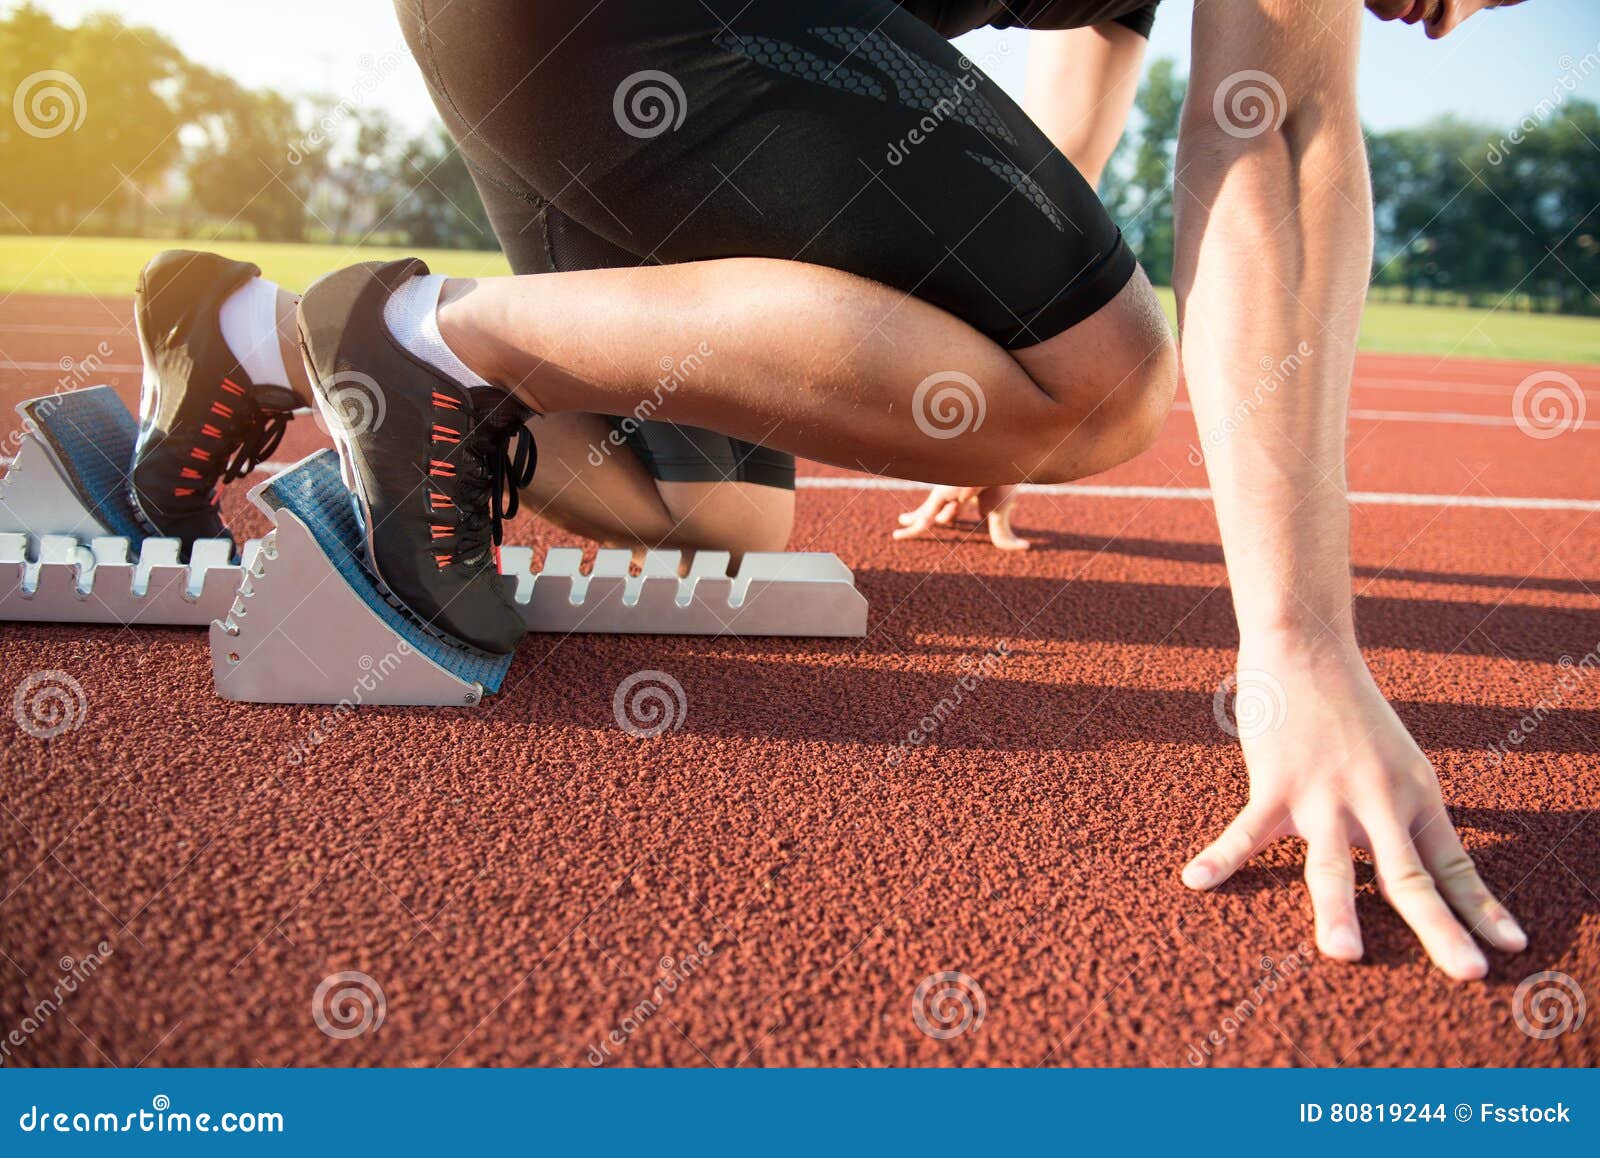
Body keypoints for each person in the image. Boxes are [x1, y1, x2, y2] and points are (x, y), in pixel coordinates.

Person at [129, 0, 1532, 980]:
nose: (1476, 17)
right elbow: (1281, 134)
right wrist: (1299, 640)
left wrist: (995, 425)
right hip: (656, 20)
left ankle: (260, 341)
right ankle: (432, 340)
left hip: (526, 34)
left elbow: (1062, 150)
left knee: (713, 515)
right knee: (1113, 386)